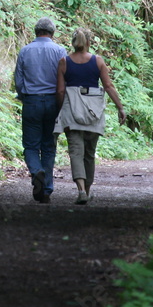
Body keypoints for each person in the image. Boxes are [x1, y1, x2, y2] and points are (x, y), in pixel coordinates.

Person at [55, 28, 126, 204]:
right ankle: (87, 190)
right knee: (89, 154)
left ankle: (80, 191)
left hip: (72, 112)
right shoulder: (98, 61)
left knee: (76, 152)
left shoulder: (64, 62)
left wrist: (58, 112)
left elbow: (60, 90)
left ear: (73, 42)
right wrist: (120, 108)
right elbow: (108, 86)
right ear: (88, 42)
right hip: (94, 113)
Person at [14, 17, 67, 203]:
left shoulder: (25, 51)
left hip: (32, 102)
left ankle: (37, 172)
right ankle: (46, 190)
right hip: (53, 102)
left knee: (30, 145)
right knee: (48, 146)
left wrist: (24, 96)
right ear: (52, 33)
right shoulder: (60, 51)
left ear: (36, 32)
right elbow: (64, 80)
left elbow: (19, 81)